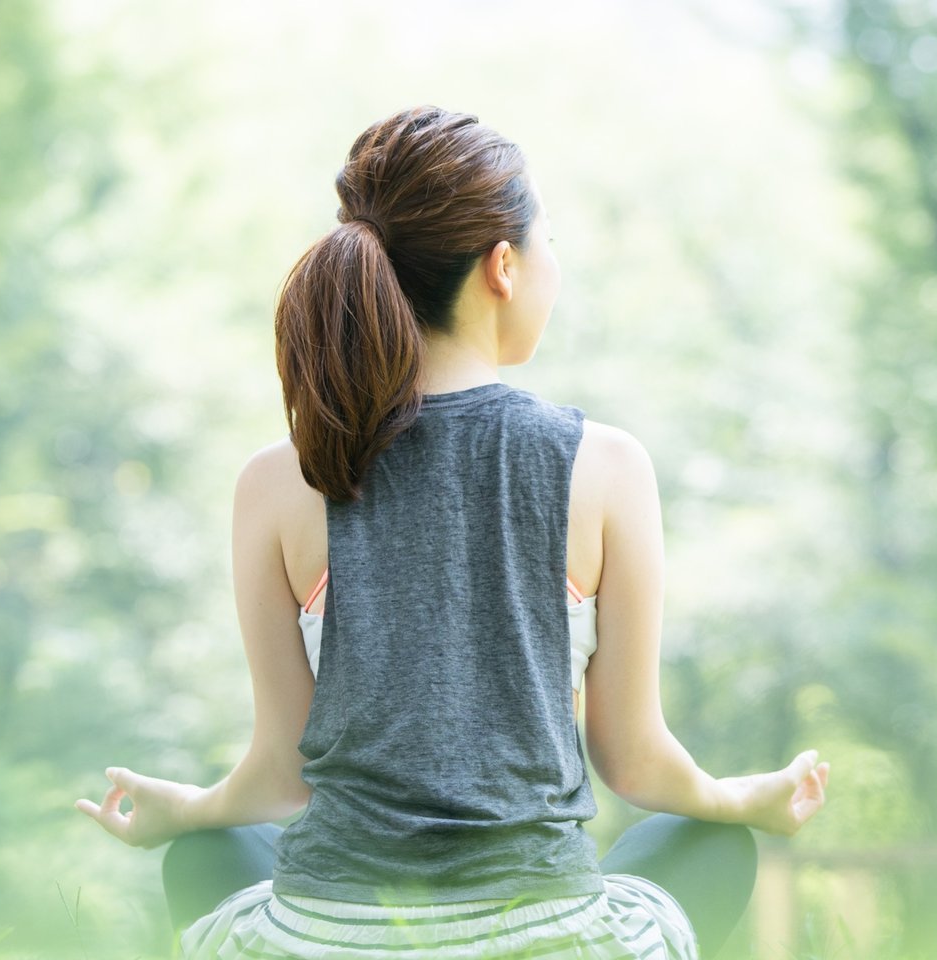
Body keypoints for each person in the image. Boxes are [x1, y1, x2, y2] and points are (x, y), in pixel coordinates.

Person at [73, 104, 831, 960]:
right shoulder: (607, 465)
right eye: (550, 243)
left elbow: (281, 776)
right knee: (708, 841)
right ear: (503, 266)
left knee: (210, 853)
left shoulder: (280, 479)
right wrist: (744, 800)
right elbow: (637, 764)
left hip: (328, 941)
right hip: (552, 939)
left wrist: (192, 809)